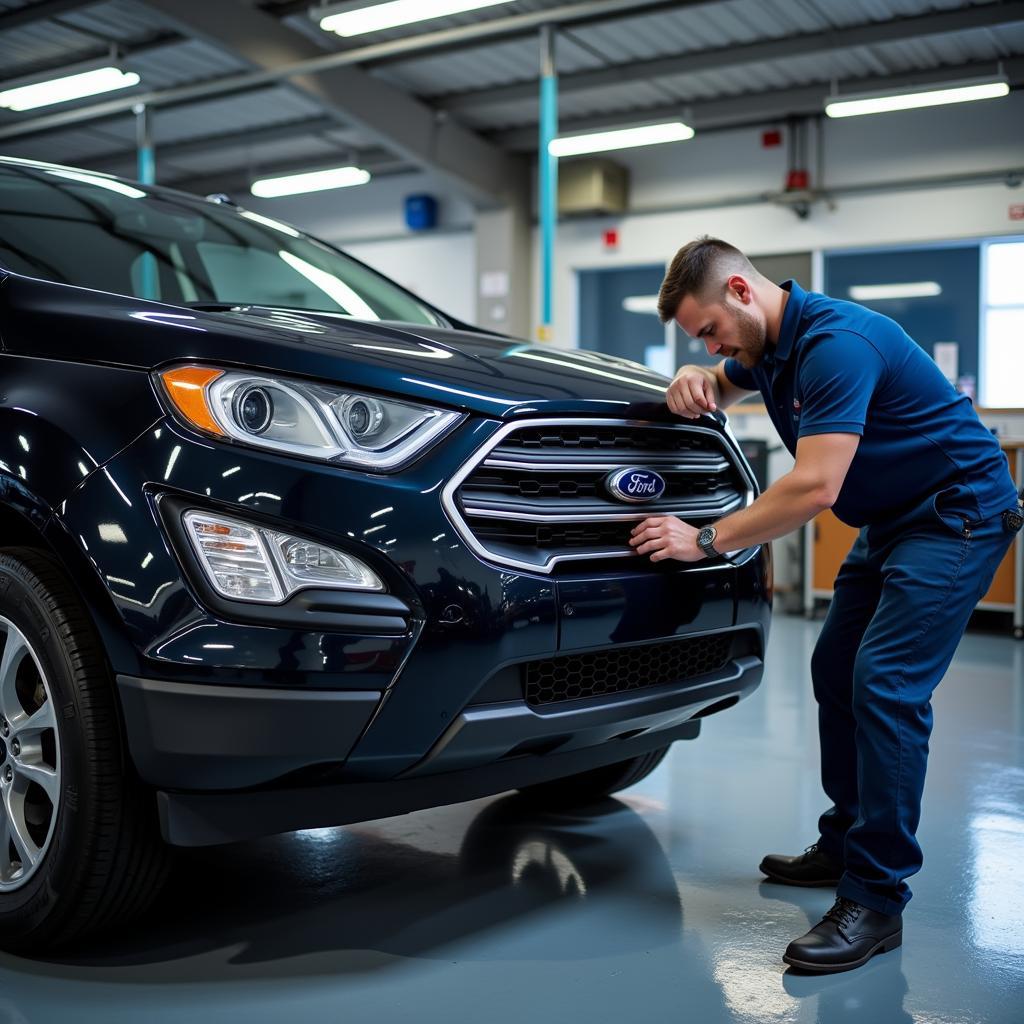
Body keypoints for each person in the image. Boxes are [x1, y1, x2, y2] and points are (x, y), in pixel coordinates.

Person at [630, 236, 1021, 974]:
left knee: (885, 683)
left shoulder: (837, 344)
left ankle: (876, 898)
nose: (711, 342)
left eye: (708, 327)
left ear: (742, 292)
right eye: (698, 338)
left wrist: (703, 539)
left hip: (957, 514)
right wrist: (696, 375)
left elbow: (813, 489)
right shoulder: (767, 344)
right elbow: (730, 376)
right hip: (895, 520)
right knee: (834, 666)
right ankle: (845, 840)